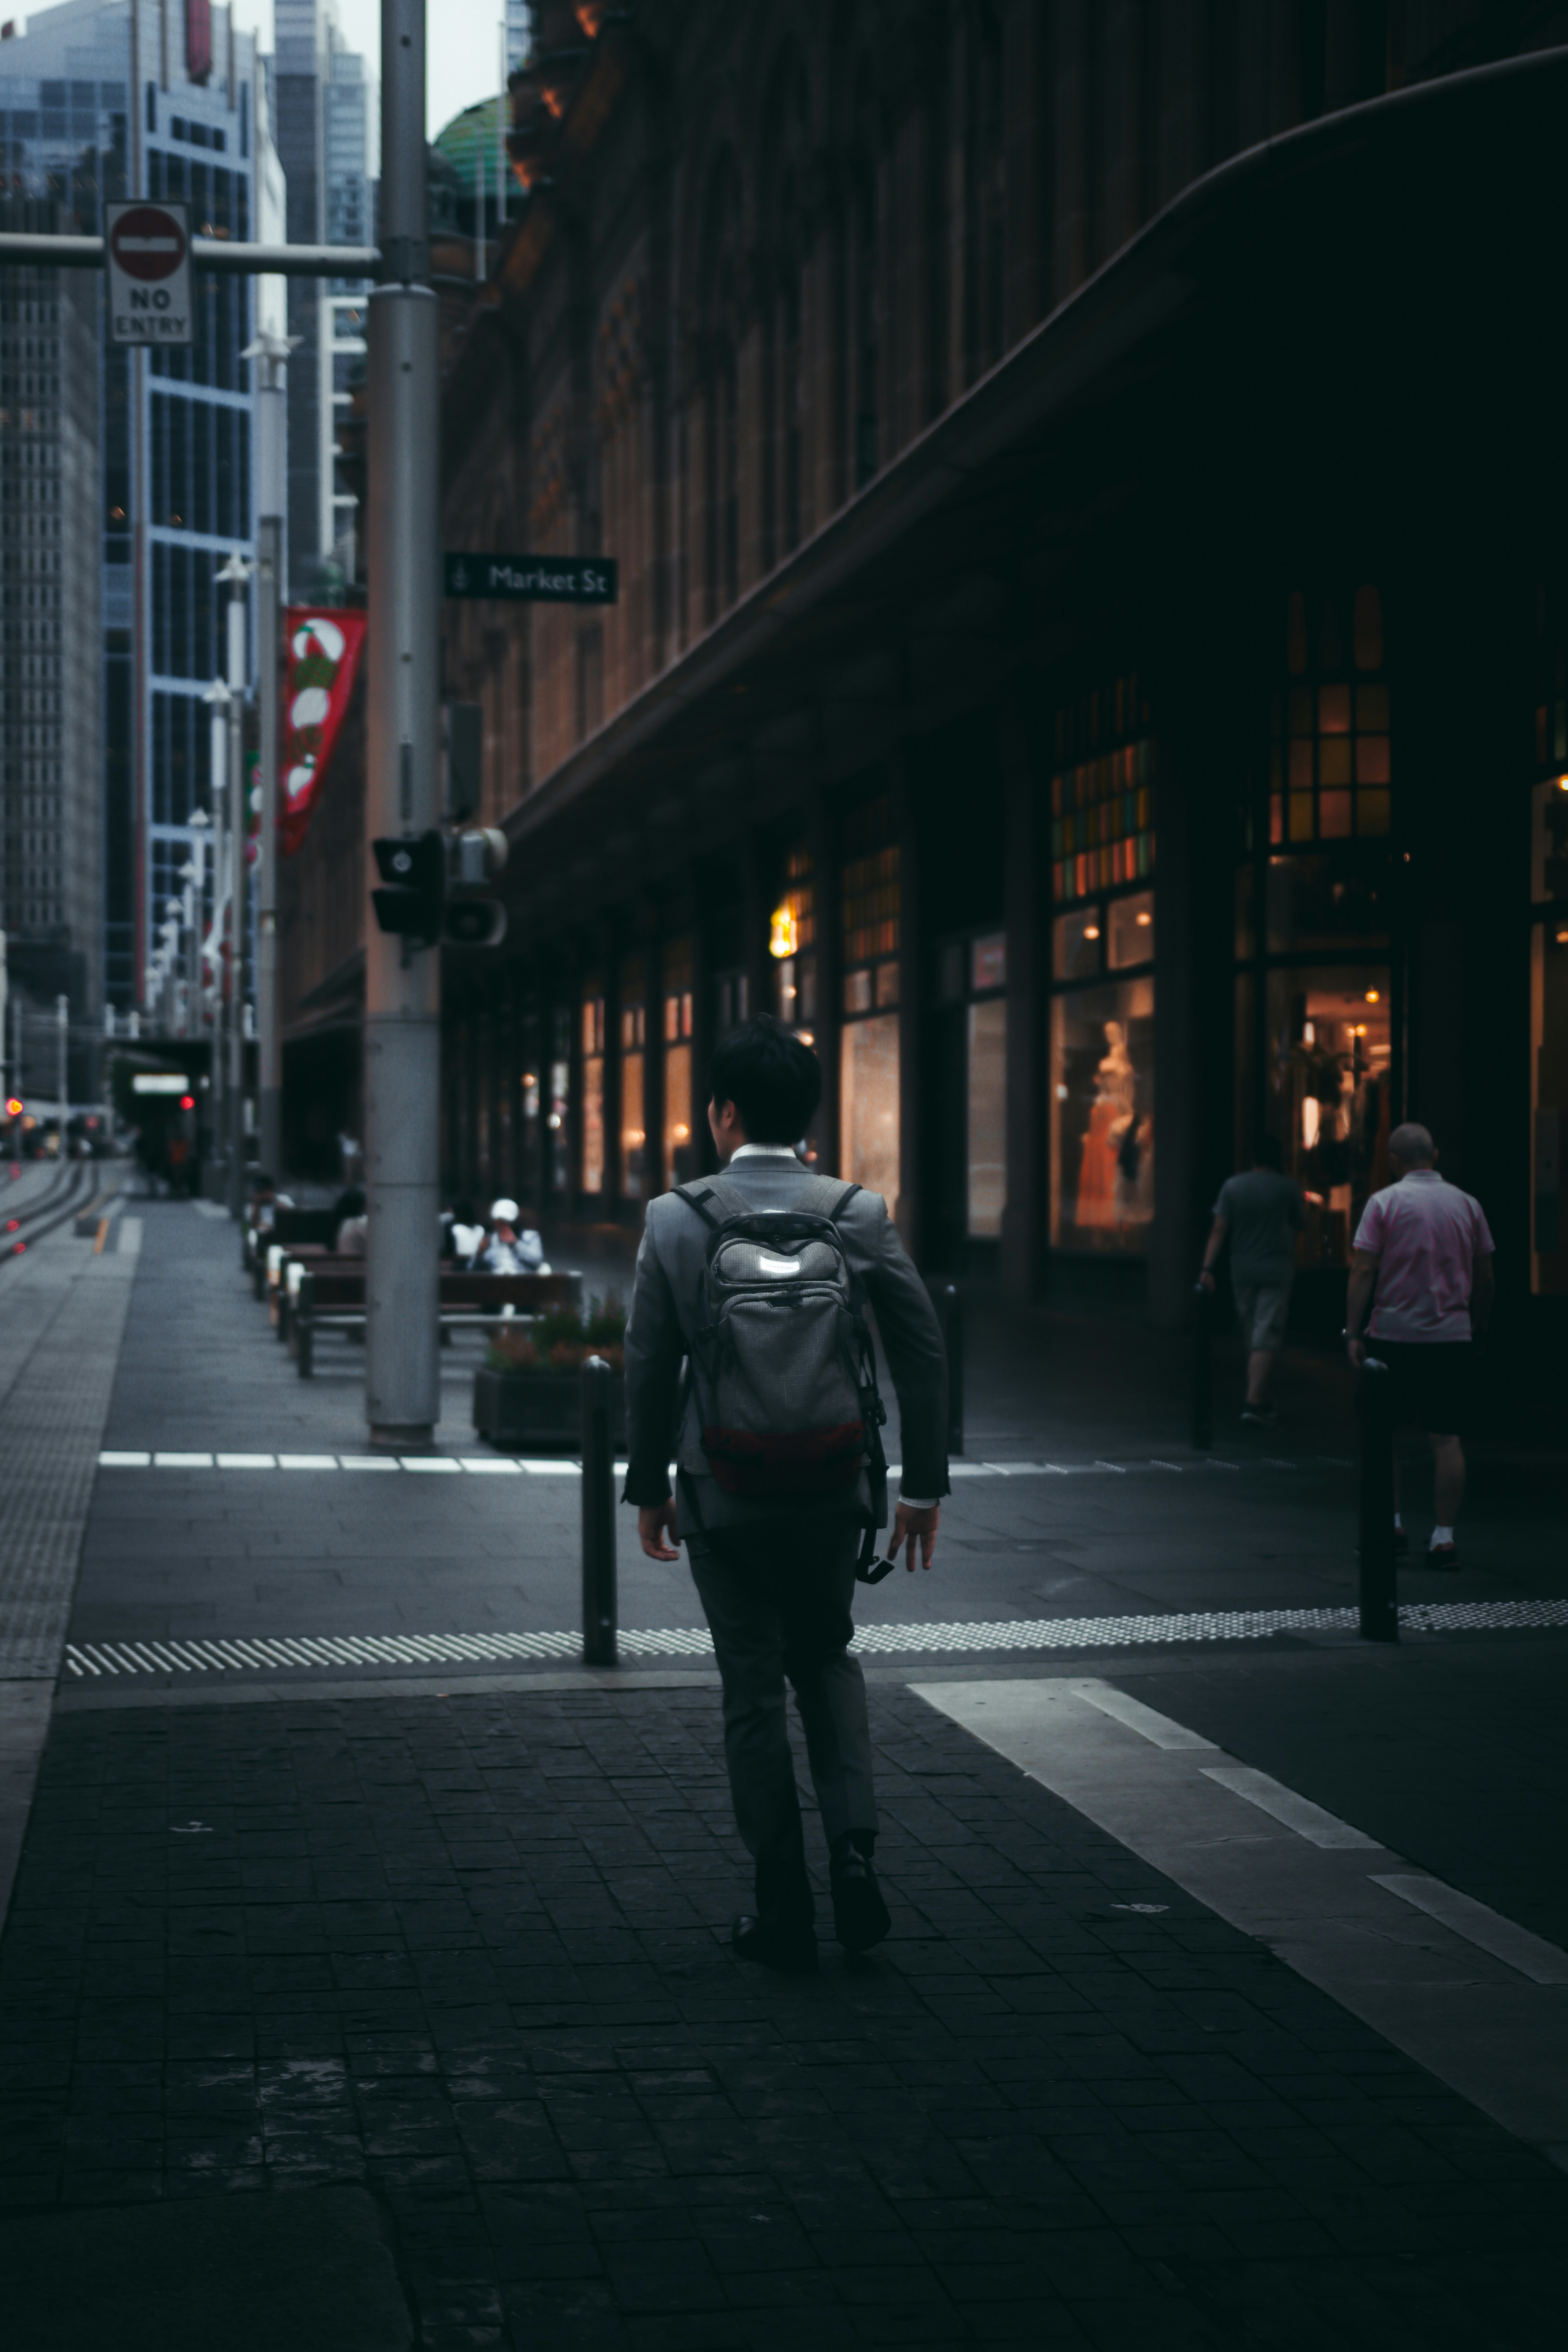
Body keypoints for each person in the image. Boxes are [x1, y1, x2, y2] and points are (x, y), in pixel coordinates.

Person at [623, 1016, 950, 1974]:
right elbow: (923, 1351)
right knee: (828, 1657)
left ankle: (781, 1902)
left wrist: (649, 1489)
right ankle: (853, 1850)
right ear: (808, 1115)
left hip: (722, 1491)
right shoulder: (858, 1210)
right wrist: (922, 1486)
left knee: (752, 1688)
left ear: (723, 1113)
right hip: (834, 1483)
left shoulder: (677, 1218)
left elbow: (647, 1365)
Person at [1345, 1121, 1494, 1567]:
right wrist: (1478, 1328)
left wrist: (1353, 1331)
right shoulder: (1468, 1205)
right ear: (1436, 1155)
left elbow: (1364, 1269)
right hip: (1450, 1336)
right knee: (1447, 1440)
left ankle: (1391, 1526)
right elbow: (1485, 1277)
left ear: (1394, 1161)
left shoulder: (1384, 1203)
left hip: (1392, 1335)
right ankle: (1444, 1537)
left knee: (1382, 1435)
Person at [1199, 1134, 1306, 1425]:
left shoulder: (1233, 1186)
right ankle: (1254, 1402)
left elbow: (1220, 1229)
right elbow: (1300, 1222)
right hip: (1277, 1268)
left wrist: (1207, 1268)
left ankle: (1261, 1395)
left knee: (1252, 1330)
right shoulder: (1287, 1187)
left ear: (1254, 1158)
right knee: (1266, 1332)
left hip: (1242, 1268)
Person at [477, 1196, 547, 1275]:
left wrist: (516, 1243)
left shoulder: (530, 1237)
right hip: (495, 1282)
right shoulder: (490, 1239)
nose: (501, 1226)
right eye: (499, 1222)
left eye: (505, 1222)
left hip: (522, 1281)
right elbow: (472, 1268)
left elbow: (537, 1262)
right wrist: (480, 1254)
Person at [332, 1186, 368, 1255]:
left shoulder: (343, 1223)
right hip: (358, 1262)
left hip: (345, 1261)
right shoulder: (360, 1223)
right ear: (361, 1206)